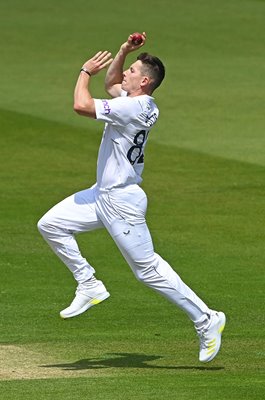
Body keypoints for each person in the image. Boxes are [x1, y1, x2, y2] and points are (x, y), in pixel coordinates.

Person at [38, 32, 226, 363]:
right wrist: (125, 51)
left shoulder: (132, 108)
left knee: (148, 270)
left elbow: (81, 105)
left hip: (121, 202)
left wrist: (84, 72)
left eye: (133, 70)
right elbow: (114, 86)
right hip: (102, 195)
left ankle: (207, 319)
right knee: (50, 225)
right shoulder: (141, 104)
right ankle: (89, 284)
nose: (126, 72)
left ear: (145, 82)